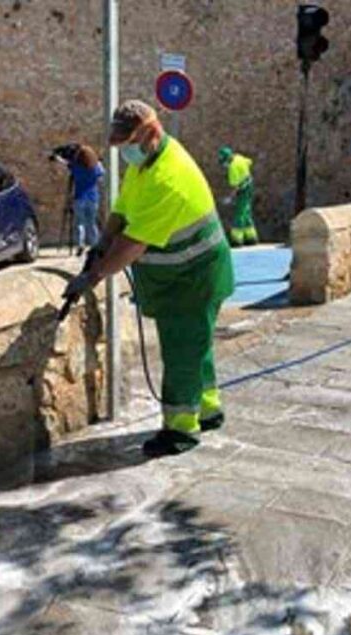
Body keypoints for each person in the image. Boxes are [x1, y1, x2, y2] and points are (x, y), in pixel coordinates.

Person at [63, 100, 235, 457]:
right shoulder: (145, 165)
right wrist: (101, 243)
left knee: (182, 352)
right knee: (196, 345)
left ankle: (181, 429)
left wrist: (94, 275)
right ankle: (208, 409)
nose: (125, 153)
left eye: (128, 144)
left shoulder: (167, 179)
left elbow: (132, 245)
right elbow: (123, 210)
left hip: (194, 277)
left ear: (151, 134)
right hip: (185, 276)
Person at [218, 146, 259, 246]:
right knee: (246, 212)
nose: (224, 165)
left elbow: (235, 187)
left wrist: (229, 198)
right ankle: (251, 237)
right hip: (250, 186)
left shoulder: (232, 168)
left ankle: (237, 239)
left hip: (243, 190)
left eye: (224, 162)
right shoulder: (239, 158)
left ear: (227, 159)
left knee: (239, 213)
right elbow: (249, 162)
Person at [69, 145, 104, 254]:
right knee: (91, 222)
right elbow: (101, 176)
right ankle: (95, 244)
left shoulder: (76, 168)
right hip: (93, 197)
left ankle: (80, 244)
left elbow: (69, 167)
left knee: (79, 223)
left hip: (79, 197)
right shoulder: (95, 168)